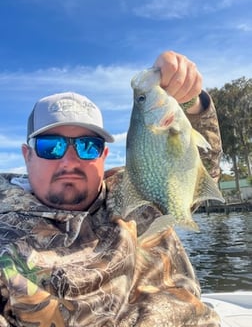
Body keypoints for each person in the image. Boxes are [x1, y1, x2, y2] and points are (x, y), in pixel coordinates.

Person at [0, 51, 222, 327]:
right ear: (27, 156)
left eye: (87, 146)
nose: (70, 160)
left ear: (103, 156)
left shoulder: (136, 192)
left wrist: (191, 100)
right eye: (50, 145)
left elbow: (202, 166)